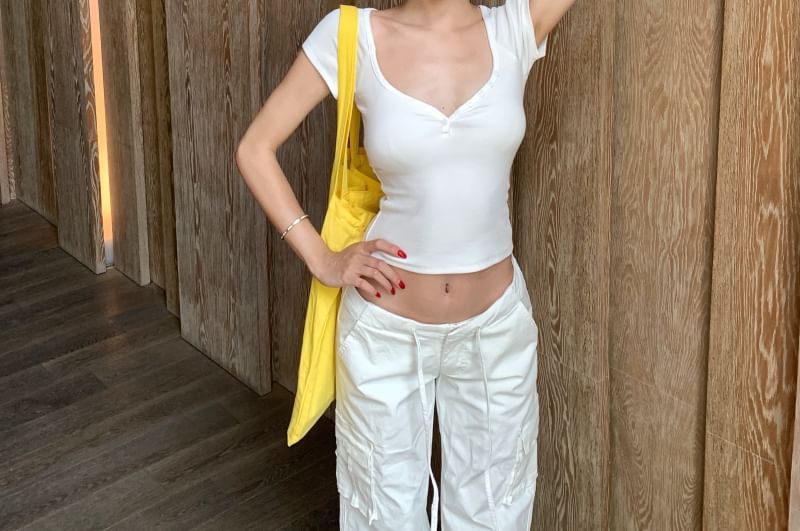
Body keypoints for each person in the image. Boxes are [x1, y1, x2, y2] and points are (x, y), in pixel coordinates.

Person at [236, 1, 576, 529]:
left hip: (496, 333)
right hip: (385, 335)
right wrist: (321, 258)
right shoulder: (352, 34)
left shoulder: (515, 26)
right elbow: (255, 148)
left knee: (497, 512)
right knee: (381, 516)